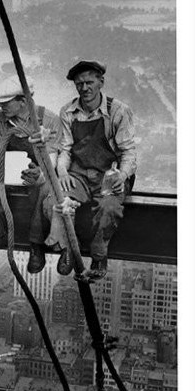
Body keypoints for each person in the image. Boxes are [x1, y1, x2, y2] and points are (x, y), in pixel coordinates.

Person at [48, 59, 138, 279]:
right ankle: (69, 249)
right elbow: (65, 149)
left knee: (109, 208)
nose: (85, 88)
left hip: (110, 175)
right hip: (79, 174)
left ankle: (99, 256)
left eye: (89, 82)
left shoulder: (118, 111)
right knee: (58, 201)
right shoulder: (68, 111)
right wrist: (63, 172)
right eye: (79, 84)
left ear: (101, 82)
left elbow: (128, 151)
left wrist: (123, 175)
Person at [0, 78, 62, 273]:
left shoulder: (49, 119)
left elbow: (51, 159)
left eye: (5, 103)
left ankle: (36, 244)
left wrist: (39, 173)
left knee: (43, 187)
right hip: (9, 169)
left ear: (23, 101)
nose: (0, 107)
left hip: (37, 170)